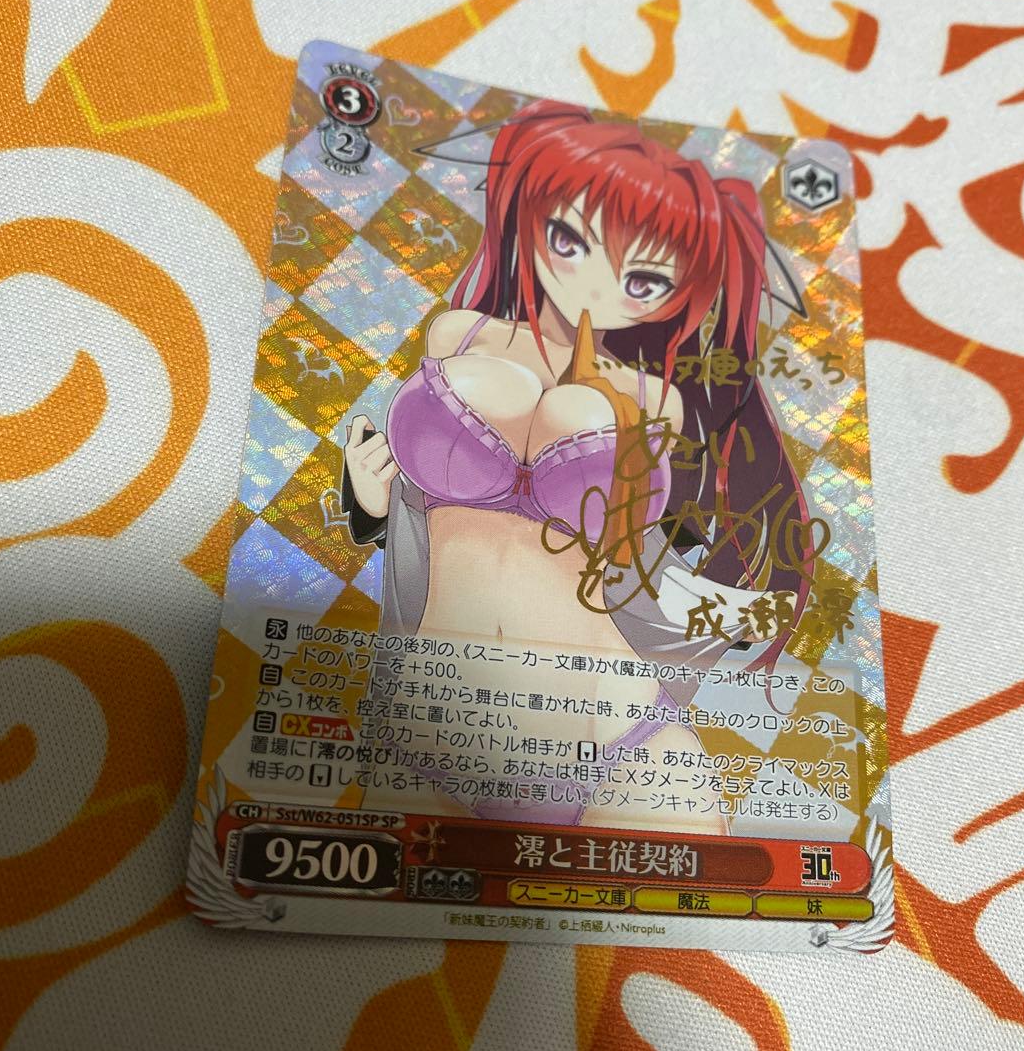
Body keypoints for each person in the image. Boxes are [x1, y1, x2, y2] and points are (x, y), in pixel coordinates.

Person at [342, 101, 814, 829]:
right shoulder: (458, 336)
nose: (594, 286)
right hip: (432, 725)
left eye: (643, 280)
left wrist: (727, 607)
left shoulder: (655, 399)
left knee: (692, 900)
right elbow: (419, 507)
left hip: (621, 736)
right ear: (527, 218)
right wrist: (367, 502)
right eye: (568, 239)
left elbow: (635, 556)